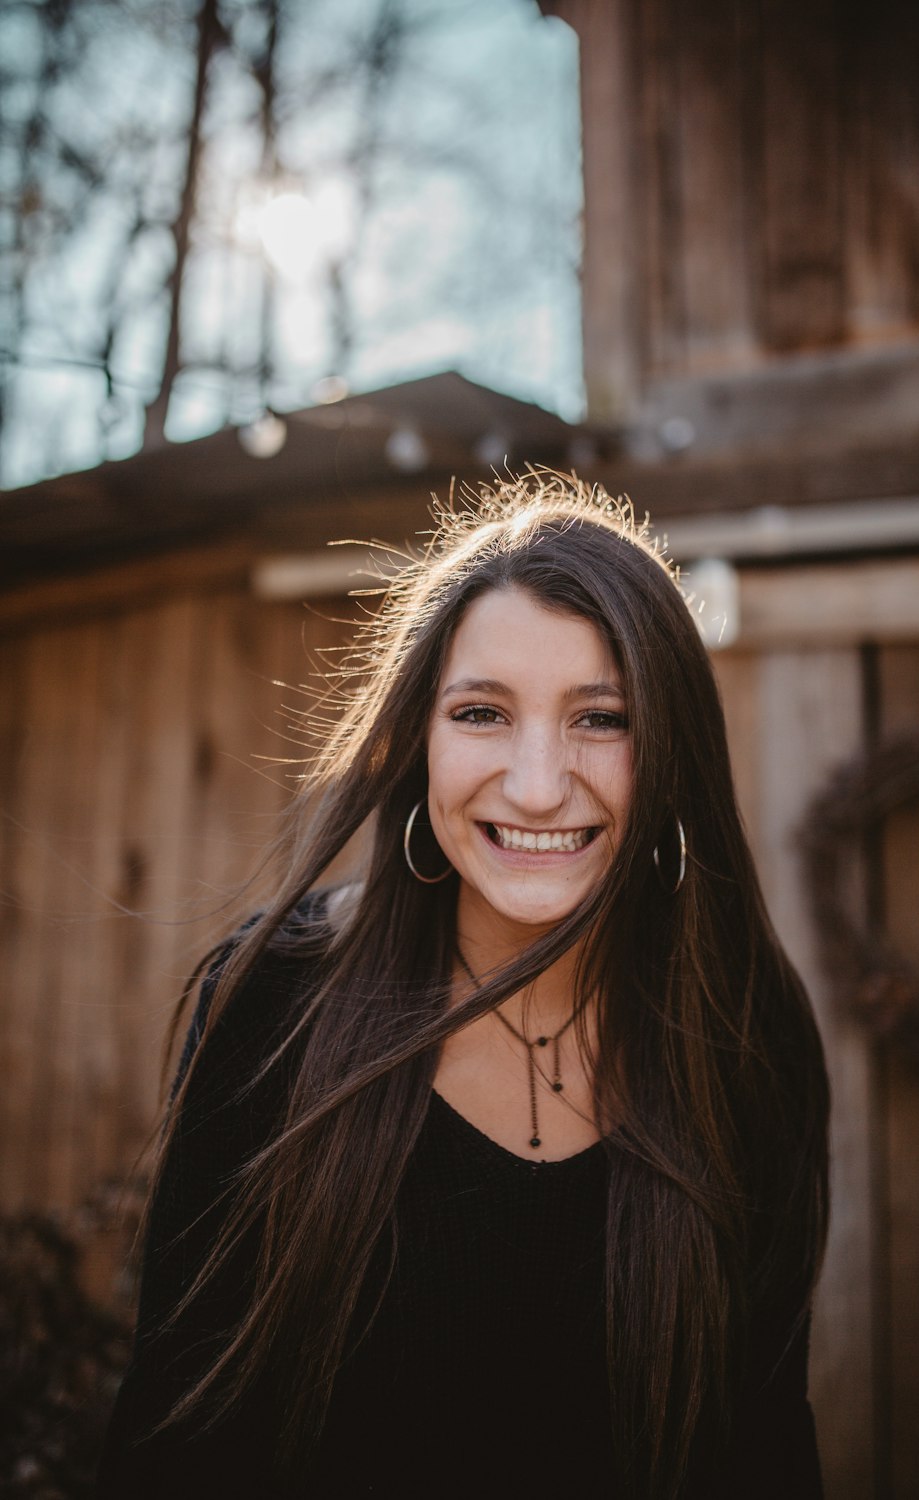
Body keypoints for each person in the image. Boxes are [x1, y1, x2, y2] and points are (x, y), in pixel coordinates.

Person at [97, 473, 829, 1499]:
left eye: (601, 719)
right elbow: (176, 1436)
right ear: (418, 743)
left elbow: (762, 1446)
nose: (536, 783)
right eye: (482, 712)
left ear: (671, 752)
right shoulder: (275, 1003)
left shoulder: (744, 1031)